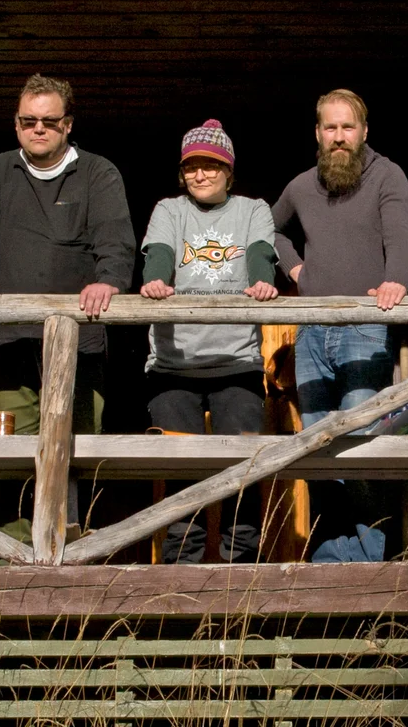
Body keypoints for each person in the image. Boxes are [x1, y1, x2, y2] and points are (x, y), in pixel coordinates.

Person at [0, 74, 136, 435]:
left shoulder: (97, 173)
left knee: (80, 445)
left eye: (50, 122)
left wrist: (108, 281)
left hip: (79, 340)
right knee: (9, 449)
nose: (38, 129)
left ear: (67, 125)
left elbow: (115, 238)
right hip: (8, 341)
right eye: (29, 121)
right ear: (16, 125)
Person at [272, 88, 408, 561]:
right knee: (318, 451)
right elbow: (268, 229)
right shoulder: (301, 186)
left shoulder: (386, 175)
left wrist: (395, 282)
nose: (338, 137)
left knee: (359, 448)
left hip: (366, 329)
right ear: (317, 133)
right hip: (311, 331)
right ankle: (331, 563)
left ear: (364, 132)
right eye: (329, 128)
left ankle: (373, 563)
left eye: (347, 127)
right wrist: (295, 269)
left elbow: (400, 241)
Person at [139, 118, 279, 563]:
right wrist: (156, 280)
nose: (201, 174)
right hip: (173, 364)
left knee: (243, 465)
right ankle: (184, 568)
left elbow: (259, 252)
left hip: (235, 361)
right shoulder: (169, 210)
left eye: (211, 166)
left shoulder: (253, 209)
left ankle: (240, 566)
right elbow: (158, 253)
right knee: (182, 469)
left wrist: (261, 283)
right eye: (192, 166)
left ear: (229, 171)